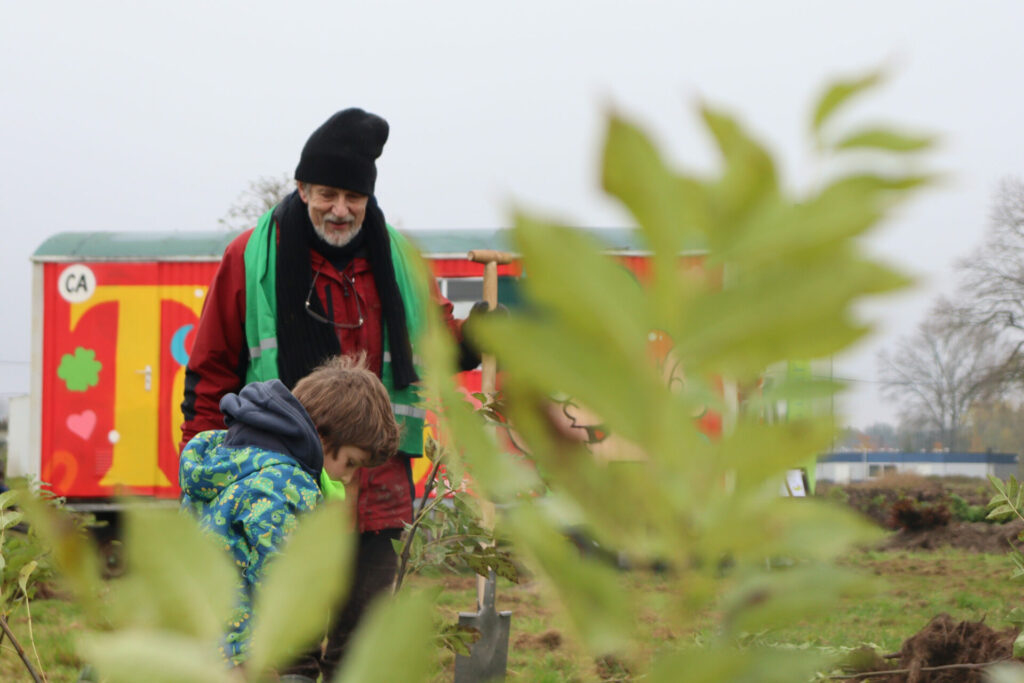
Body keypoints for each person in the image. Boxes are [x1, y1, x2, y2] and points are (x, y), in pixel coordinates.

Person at [179, 107, 481, 678]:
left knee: (365, 638)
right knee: (283, 629)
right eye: (326, 193)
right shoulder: (250, 257)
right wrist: (206, 468)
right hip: (282, 471)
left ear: (367, 199)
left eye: (353, 197)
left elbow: (436, 342)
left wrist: (483, 336)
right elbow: (211, 369)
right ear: (302, 188)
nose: (340, 209)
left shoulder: (397, 258)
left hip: (376, 480)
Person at [179, 355, 399, 666]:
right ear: (322, 436)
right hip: (237, 649)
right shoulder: (290, 483)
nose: (348, 477)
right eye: (350, 462)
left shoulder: (230, 461)